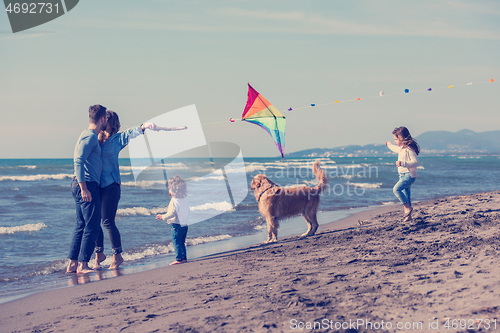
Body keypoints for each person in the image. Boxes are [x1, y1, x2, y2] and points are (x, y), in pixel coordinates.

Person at [93, 110, 157, 269]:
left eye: (105, 118)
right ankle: (98, 255)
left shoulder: (117, 139)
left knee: (107, 221)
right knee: (94, 221)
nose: (102, 121)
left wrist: (144, 126)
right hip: (97, 185)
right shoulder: (97, 138)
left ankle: (117, 255)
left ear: (110, 121)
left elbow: (131, 132)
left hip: (112, 185)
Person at [67, 105, 108, 274]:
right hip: (86, 184)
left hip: (82, 183)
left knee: (81, 225)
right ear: (102, 119)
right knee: (92, 226)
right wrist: (84, 188)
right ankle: (83, 264)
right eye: (106, 119)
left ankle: (72, 264)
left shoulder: (86, 135)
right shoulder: (90, 137)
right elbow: (78, 161)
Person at [386, 126, 420, 222]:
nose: (395, 141)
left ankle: (407, 208)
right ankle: (408, 216)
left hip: (409, 175)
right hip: (403, 176)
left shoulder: (409, 149)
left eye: (396, 139)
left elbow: (415, 162)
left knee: (396, 189)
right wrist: (389, 144)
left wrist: (403, 163)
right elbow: (394, 148)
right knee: (407, 195)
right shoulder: (401, 148)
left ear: (402, 138)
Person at [156, 176, 190, 265]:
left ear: (173, 190)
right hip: (184, 225)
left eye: (169, 189)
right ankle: (184, 258)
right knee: (182, 242)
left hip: (177, 226)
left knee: (177, 243)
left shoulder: (174, 201)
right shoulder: (184, 200)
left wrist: (163, 217)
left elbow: (172, 212)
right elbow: (188, 209)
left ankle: (179, 259)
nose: (168, 191)